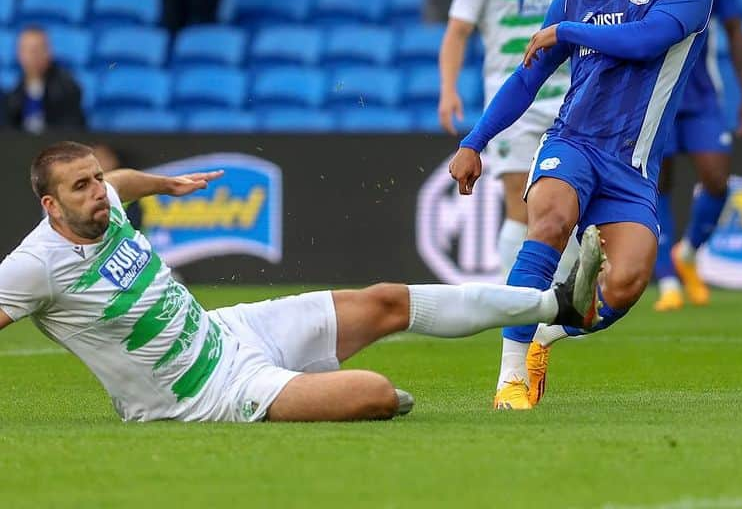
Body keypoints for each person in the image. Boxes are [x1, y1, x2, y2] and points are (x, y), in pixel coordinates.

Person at [0, 141, 606, 423]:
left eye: (95, 179)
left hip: (226, 330)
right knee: (375, 393)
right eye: (80, 188)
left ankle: (557, 304)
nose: (97, 192)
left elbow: (122, 181)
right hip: (201, 396)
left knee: (387, 301)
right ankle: (317, 391)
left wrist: (162, 185)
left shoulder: (103, 198)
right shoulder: (35, 265)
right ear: (51, 206)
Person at [449, 0, 713, 410]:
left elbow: (645, 42)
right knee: (546, 224)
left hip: (633, 168)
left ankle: (547, 334)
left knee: (626, 285)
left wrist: (567, 32)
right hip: (572, 143)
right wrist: (475, 141)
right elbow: (527, 79)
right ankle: (510, 381)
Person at [438, 0, 583, 278]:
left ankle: (552, 304)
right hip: (513, 102)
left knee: (561, 209)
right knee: (520, 207)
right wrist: (448, 89)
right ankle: (514, 301)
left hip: (567, 100)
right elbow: (457, 32)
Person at [647, 0, 742, 311]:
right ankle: (668, 281)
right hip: (655, 95)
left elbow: (735, 32)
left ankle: (687, 252)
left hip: (701, 95)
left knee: (716, 177)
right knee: (657, 184)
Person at [3, 27, 85, 133]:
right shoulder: (12, 96)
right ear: (19, 54)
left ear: (49, 53)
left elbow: (71, 132)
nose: (33, 55)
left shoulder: (68, 89)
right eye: (28, 50)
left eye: (38, 49)